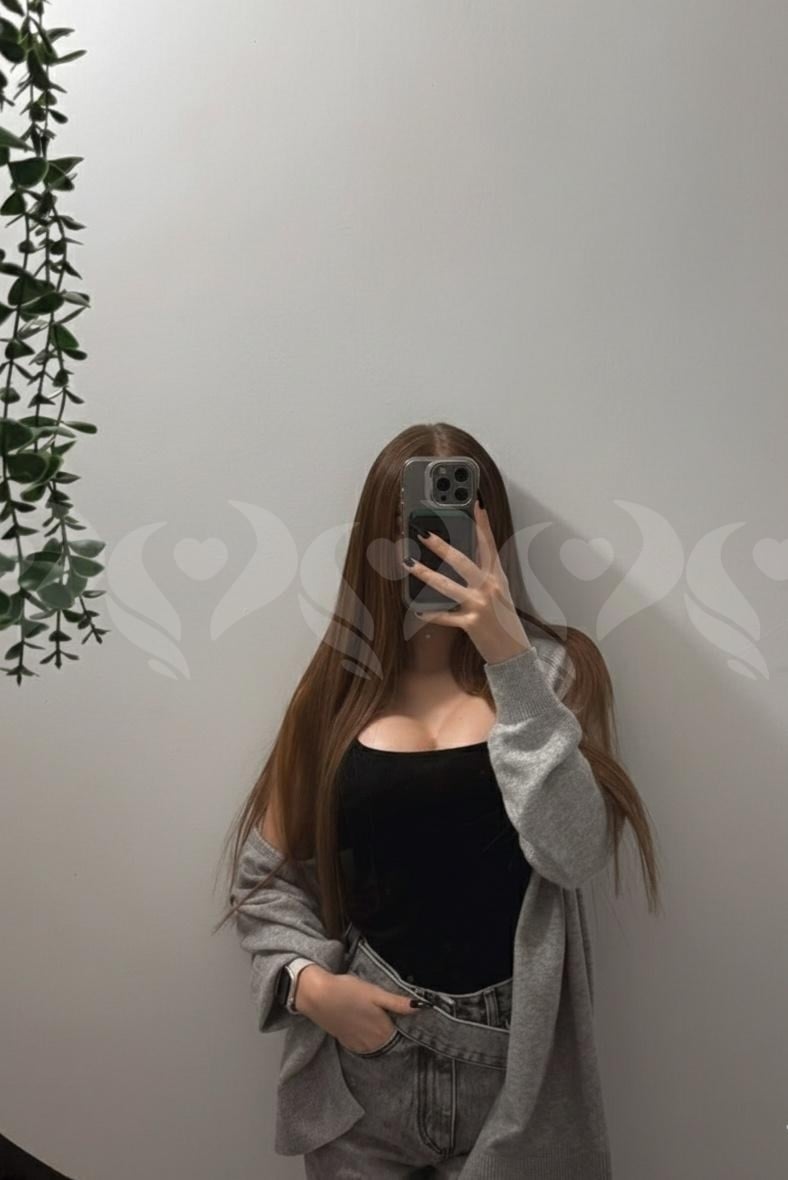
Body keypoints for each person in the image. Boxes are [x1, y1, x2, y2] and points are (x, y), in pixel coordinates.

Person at [215, 422, 662, 1179]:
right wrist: (308, 986)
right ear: (376, 541)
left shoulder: (554, 674)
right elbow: (263, 876)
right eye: (411, 527)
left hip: (516, 1071)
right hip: (367, 1061)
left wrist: (507, 658)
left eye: (452, 521)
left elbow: (575, 851)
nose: (430, 547)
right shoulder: (339, 690)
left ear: (490, 533)